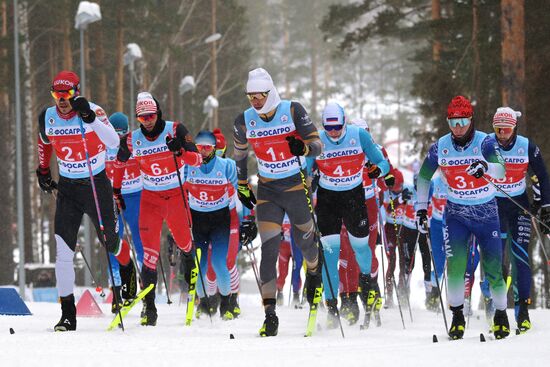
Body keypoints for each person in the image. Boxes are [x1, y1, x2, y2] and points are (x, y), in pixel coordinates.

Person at [36, 71, 134, 331]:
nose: (61, 99)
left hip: (95, 184)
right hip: (68, 187)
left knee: (110, 242)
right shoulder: (47, 116)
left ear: (76, 92)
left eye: (66, 94)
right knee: (63, 251)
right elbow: (44, 142)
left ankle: (128, 267)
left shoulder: (93, 111)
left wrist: (90, 120)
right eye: (56, 94)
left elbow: (114, 142)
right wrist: (43, 170)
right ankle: (67, 314)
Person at [233, 68, 323, 336]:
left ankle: (314, 272)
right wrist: (241, 184)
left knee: (305, 241)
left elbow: (317, 144)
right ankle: (270, 314)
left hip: (295, 185)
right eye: (250, 96)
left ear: (270, 93)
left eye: (259, 95)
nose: (255, 101)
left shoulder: (292, 110)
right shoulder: (244, 120)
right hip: (268, 190)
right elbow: (239, 156)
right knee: (269, 250)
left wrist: (304, 149)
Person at [415, 95, 510, 339]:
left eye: (463, 121)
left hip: (486, 212)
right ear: (448, 121)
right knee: (455, 268)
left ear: (471, 120)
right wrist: (421, 208)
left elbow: (502, 170)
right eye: (453, 122)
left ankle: (500, 314)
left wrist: (485, 167)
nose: (458, 127)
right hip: (456, 213)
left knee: (493, 269)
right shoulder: (440, 147)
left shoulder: (486, 142)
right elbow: (424, 177)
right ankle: (457, 316)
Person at [113, 92, 202, 326]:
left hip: (176, 196)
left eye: (151, 116)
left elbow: (198, 160)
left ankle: (187, 258)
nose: (148, 121)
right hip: (150, 200)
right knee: (149, 256)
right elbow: (119, 163)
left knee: (184, 242)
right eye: (142, 118)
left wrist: (180, 151)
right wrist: (116, 190)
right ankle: (149, 307)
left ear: (158, 113)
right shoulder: (132, 140)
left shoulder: (175, 130)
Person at [310, 102, 389, 328]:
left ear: (345, 122)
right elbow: (304, 168)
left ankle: (368, 282)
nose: (333, 132)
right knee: (331, 254)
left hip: (354, 197)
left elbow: (382, 162)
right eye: (328, 127)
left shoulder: (359, 135)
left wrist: (378, 170)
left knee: (361, 247)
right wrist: (308, 179)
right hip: (328, 200)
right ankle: (332, 306)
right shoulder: (317, 139)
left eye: (337, 127)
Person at [489, 107, 550, 332]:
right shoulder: (487, 143)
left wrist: (545, 206)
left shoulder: (526, 146)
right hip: (493, 205)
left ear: (515, 128)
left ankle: (522, 310)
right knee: (497, 258)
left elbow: (543, 176)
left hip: (519, 205)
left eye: (506, 129)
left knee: (521, 255)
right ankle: (497, 308)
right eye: (498, 129)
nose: (502, 134)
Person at [184, 130, 238, 320]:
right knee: (200, 265)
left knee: (218, 263)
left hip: (220, 220)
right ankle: (204, 303)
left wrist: (250, 216)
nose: (204, 151)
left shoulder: (226, 165)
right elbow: (178, 192)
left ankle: (226, 303)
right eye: (200, 147)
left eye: (208, 147)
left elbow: (242, 189)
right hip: (197, 220)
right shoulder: (187, 166)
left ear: (215, 148)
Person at [105, 112, 144, 313]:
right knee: (114, 244)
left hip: (136, 196)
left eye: (123, 132)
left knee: (140, 240)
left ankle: (146, 285)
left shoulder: (134, 142)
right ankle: (117, 290)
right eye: (115, 132)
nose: (119, 137)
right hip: (114, 198)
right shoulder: (104, 144)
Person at [276, 214, 303, 306]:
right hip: (284, 248)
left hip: (295, 247)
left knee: (296, 271)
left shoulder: (296, 211)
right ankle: (279, 292)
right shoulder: (280, 212)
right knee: (283, 273)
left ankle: (296, 294)